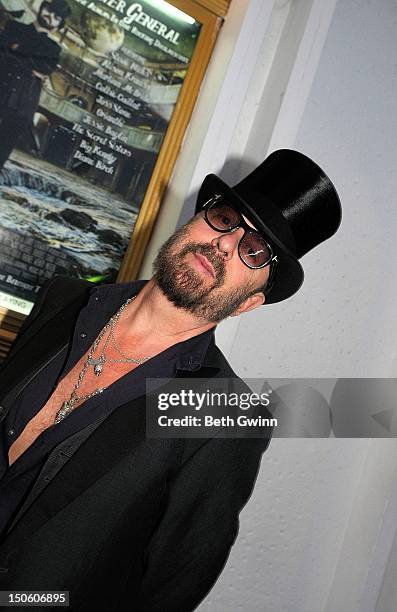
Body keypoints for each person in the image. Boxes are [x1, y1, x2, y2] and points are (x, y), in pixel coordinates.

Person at [0, 149, 342, 611]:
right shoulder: (65, 299)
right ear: (195, 221)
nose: (225, 243)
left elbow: (169, 591)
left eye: (254, 250)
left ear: (248, 303)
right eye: (225, 218)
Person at [0, 0, 71, 170]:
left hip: (22, 105)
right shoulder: (14, 27)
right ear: (42, 8)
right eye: (49, 10)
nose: (50, 17)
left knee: (2, 150)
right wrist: (31, 66)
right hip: (2, 88)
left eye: (56, 17)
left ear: (58, 25)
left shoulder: (54, 50)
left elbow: (45, 68)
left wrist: (17, 49)